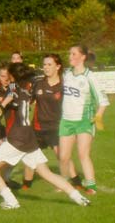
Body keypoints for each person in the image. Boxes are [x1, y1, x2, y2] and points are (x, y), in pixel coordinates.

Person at [0, 62, 90, 209]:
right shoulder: (26, 90)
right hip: (29, 137)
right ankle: (79, 198)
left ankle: (11, 202)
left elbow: (0, 107)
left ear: (13, 76)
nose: (6, 78)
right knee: (46, 173)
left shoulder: (14, 91)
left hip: (17, 139)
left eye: (9, 75)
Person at [22, 54, 82, 190]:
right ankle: (26, 185)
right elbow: (27, 101)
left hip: (57, 127)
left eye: (49, 64)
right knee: (30, 155)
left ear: (58, 66)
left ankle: (76, 182)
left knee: (62, 156)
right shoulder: (38, 83)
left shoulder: (64, 85)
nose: (46, 67)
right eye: (44, 65)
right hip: (37, 127)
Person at [59, 45, 109, 195]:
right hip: (66, 121)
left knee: (83, 155)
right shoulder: (66, 74)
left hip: (84, 121)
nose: (70, 57)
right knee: (63, 157)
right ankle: (64, 184)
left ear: (83, 57)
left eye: (73, 54)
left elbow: (103, 100)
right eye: (69, 54)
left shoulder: (89, 76)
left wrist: (98, 116)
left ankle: (91, 186)